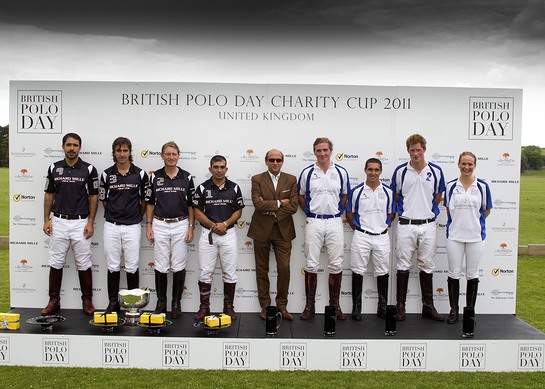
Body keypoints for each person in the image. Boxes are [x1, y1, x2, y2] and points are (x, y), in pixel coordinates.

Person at [42, 132, 99, 316]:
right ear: (63, 147)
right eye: (68, 145)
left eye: (75, 145)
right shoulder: (54, 167)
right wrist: (46, 220)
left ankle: (87, 300)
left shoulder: (89, 169)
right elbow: (49, 194)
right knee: (56, 262)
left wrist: (91, 221)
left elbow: (93, 196)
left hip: (80, 222)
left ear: (80, 148)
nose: (71, 148)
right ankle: (54, 301)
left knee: (84, 263)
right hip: (58, 220)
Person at [391, 134, 445, 321]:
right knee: (403, 265)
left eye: (418, 150)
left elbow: (437, 196)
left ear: (424, 149)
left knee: (427, 265)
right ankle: (400, 307)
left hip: (428, 225)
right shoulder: (400, 172)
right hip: (406, 224)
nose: (415, 153)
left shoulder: (436, 171)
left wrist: (426, 210)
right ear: (408, 151)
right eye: (412, 150)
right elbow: (396, 196)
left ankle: (428, 307)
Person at [298, 137, 350, 320]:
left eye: (325, 150)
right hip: (314, 221)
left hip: (335, 221)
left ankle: (335, 306)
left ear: (331, 151)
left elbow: (345, 196)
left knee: (336, 264)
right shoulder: (307, 173)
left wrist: (337, 212)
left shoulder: (341, 172)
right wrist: (310, 212)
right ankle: (309, 306)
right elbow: (301, 196)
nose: (322, 154)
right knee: (311, 264)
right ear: (314, 152)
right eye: (318, 150)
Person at [145, 141, 195, 319]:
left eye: (174, 154)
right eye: (167, 154)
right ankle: (161, 302)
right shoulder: (154, 177)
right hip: (159, 224)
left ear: (178, 156)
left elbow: (191, 205)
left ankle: (176, 302)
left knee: (179, 265)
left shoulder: (187, 177)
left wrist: (190, 226)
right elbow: (150, 203)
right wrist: (149, 225)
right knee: (160, 264)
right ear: (162, 156)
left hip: (181, 224)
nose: (171, 157)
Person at [248, 149, 298, 321]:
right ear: (266, 161)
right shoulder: (257, 179)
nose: (275, 163)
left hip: (283, 230)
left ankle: (282, 305)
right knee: (262, 269)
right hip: (261, 229)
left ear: (283, 161)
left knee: (284, 268)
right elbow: (257, 204)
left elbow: (293, 206)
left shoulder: (291, 179)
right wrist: (279, 203)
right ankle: (265, 306)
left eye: (278, 160)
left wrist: (273, 210)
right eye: (272, 160)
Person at [99, 137, 148, 312]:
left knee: (132, 265)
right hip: (111, 225)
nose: (122, 154)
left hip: (132, 226)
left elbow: (144, 200)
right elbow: (104, 199)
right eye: (118, 150)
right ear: (114, 152)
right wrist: (115, 213)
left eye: (125, 150)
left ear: (130, 152)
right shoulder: (106, 174)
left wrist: (136, 216)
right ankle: (113, 303)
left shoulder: (140, 174)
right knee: (112, 265)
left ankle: (132, 303)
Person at [193, 155, 244, 321]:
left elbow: (238, 211)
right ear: (210, 169)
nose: (219, 170)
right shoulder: (202, 188)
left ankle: (228, 307)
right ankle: (204, 307)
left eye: (222, 167)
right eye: (216, 167)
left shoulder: (234, 188)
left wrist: (225, 224)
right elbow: (197, 211)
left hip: (228, 234)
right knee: (205, 273)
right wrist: (213, 225)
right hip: (208, 234)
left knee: (229, 273)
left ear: (226, 169)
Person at [444, 151, 492, 324]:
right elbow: (449, 209)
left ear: (474, 165)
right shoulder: (450, 186)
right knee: (454, 274)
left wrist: (472, 223)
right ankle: (454, 311)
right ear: (458, 164)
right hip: (454, 236)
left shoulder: (483, 186)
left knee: (472, 274)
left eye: (470, 164)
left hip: (476, 237)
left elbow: (486, 210)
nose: (466, 167)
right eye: (463, 164)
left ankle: (470, 312)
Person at [346, 158, 396, 321]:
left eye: (376, 170)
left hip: (382, 237)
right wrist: (361, 230)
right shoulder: (357, 191)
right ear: (365, 170)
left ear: (380, 171)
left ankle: (382, 307)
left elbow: (391, 214)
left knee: (382, 272)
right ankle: (356, 307)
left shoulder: (388, 192)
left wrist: (379, 227)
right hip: (361, 236)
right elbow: (350, 214)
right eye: (370, 169)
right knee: (357, 271)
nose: (373, 173)